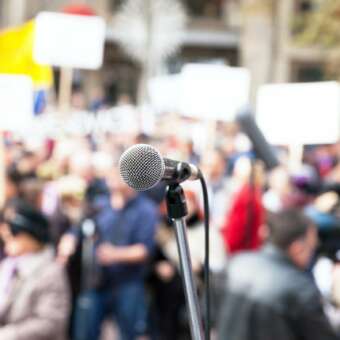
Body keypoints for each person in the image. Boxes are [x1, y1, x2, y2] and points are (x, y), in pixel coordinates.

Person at [59, 167, 159, 340]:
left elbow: (144, 250)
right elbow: (78, 230)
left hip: (128, 282)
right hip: (96, 281)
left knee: (129, 333)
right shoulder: (99, 204)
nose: (113, 179)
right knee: (85, 331)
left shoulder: (146, 209)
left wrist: (114, 254)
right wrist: (68, 241)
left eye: (119, 175)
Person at [218, 208, 338, 340]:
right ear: (297, 248)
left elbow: (207, 317)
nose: (312, 254)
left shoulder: (234, 263)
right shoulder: (300, 288)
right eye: (312, 247)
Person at [0, 199, 70, 340]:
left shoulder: (50, 271)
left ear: (31, 236)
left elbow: (50, 323)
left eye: (13, 234)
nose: (6, 238)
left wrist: (7, 335)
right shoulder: (8, 266)